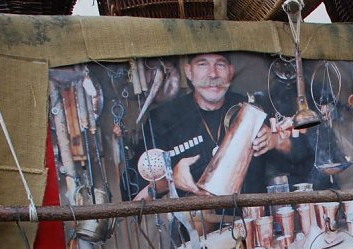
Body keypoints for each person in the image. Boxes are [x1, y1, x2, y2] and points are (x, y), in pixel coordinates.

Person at [129, 52, 313, 231]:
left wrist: (276, 142)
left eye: (220, 64)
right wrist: (171, 179)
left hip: (259, 230)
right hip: (201, 245)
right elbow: (132, 192)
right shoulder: (163, 119)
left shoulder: (254, 107)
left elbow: (304, 162)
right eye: (202, 64)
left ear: (231, 72)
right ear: (188, 72)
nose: (212, 74)